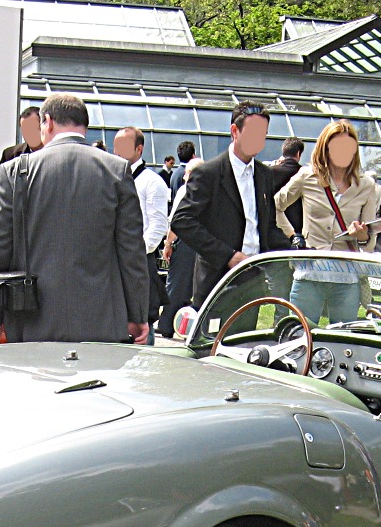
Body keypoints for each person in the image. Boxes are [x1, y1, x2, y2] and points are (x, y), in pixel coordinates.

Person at [0, 92, 147, 344]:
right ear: (84, 125)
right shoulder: (118, 170)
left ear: (47, 121)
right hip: (100, 315)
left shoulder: (14, 172)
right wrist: (137, 313)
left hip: (30, 314)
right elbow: (131, 250)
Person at [169, 99, 292, 307]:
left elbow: (267, 227)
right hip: (216, 283)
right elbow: (181, 220)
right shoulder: (208, 173)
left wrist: (296, 252)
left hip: (252, 281)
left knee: (249, 340)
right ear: (235, 131)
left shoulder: (264, 175)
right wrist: (228, 255)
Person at [273, 120, 376, 324]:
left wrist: (362, 236)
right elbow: (275, 206)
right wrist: (293, 235)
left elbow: (371, 238)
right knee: (300, 338)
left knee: (343, 341)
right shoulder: (306, 176)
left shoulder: (366, 185)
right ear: (324, 148)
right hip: (310, 272)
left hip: (346, 276)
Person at [113, 126, 169, 344]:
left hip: (139, 262)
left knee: (142, 318)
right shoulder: (111, 176)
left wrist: (132, 253)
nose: (118, 151)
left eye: (124, 146)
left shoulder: (152, 182)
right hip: (115, 262)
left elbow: (157, 227)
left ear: (139, 148)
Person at [157, 158, 201, 339]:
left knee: (176, 285)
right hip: (203, 243)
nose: (184, 176)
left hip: (185, 241)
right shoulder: (214, 189)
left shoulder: (187, 190)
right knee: (196, 288)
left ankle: (167, 325)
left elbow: (176, 221)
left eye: (187, 172)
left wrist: (168, 244)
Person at [267, 137, 304, 240]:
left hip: (273, 232)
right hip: (299, 234)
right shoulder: (304, 175)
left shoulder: (268, 173)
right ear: (298, 154)